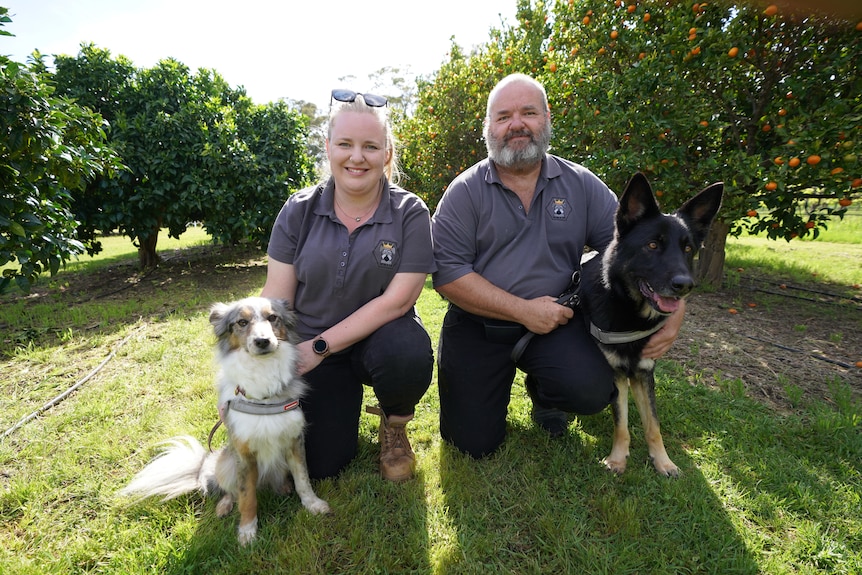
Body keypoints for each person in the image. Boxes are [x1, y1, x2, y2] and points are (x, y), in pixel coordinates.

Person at [431, 74, 685, 458]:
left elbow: (635, 250)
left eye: (528, 112)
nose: (516, 124)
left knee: (589, 389)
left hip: (556, 324)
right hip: (477, 325)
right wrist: (523, 311)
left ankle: (545, 393)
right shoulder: (463, 192)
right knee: (471, 445)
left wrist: (675, 308)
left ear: (547, 118)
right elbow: (448, 276)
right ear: (488, 128)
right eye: (503, 116)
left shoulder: (581, 183)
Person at [261, 89, 435, 481]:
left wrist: (320, 347)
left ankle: (394, 425)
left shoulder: (410, 212)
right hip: (306, 347)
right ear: (328, 148)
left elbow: (397, 300)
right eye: (345, 144)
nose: (357, 157)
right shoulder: (298, 209)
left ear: (386, 153)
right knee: (324, 466)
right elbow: (276, 300)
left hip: (372, 342)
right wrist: (258, 367)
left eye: (370, 146)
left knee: (406, 350)